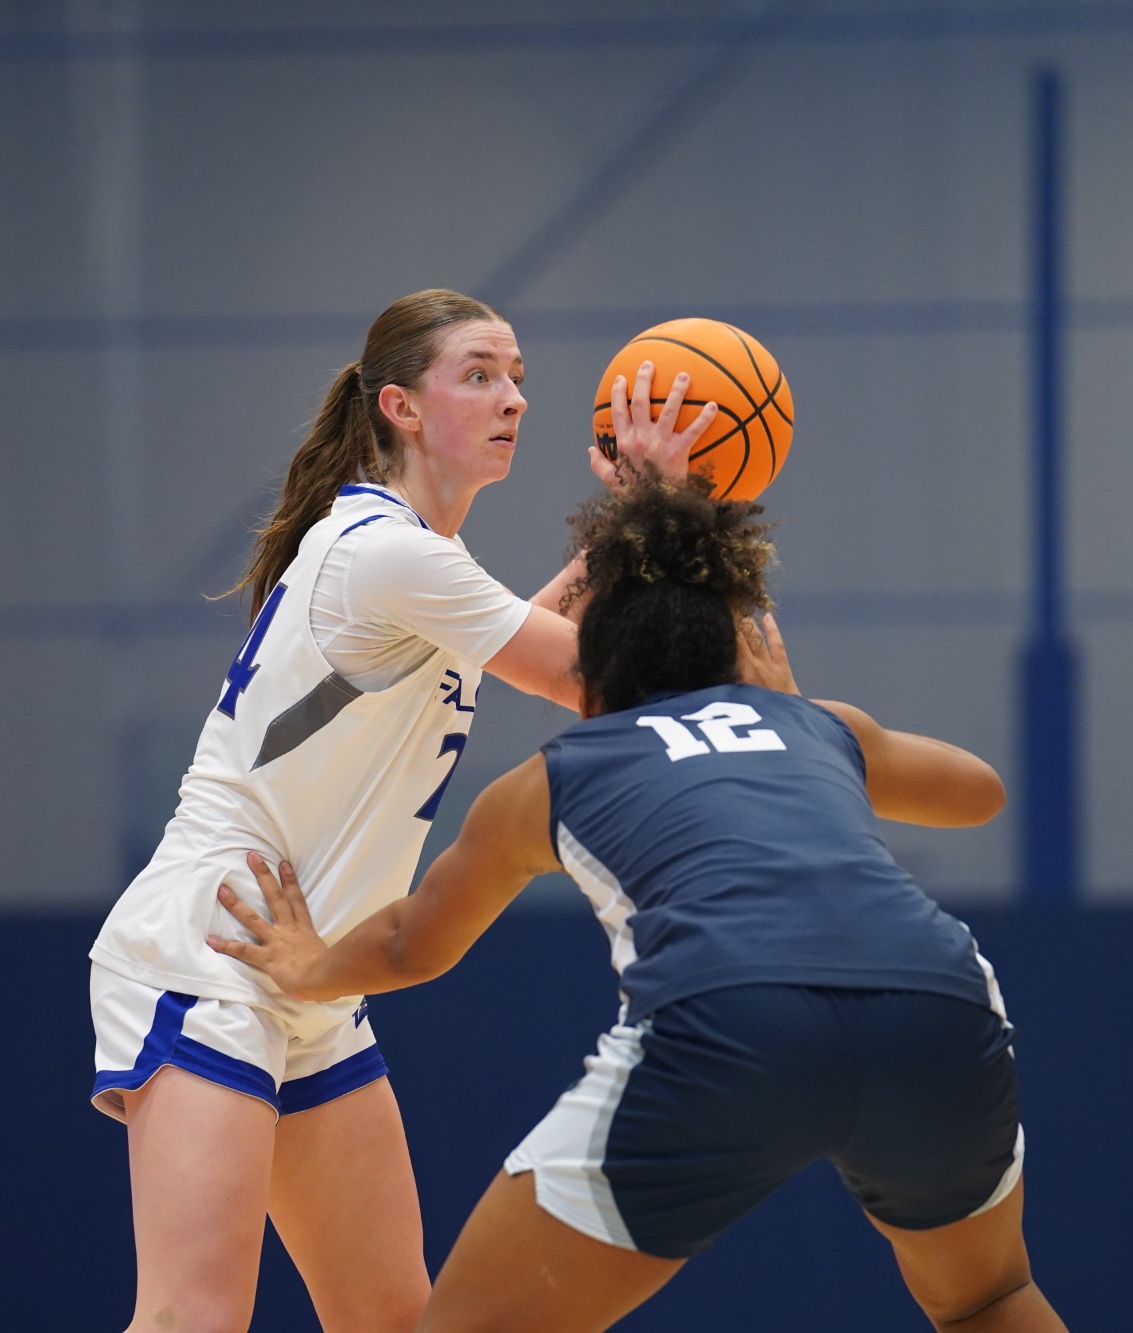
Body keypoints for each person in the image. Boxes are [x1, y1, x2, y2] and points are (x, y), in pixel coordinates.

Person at [210, 469, 1070, 1333]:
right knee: (987, 1298)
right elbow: (981, 792)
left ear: (587, 670)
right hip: (936, 1000)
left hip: (734, 1013)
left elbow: (410, 944)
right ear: (732, 645)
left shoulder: (558, 775)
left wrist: (310, 965)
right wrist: (796, 711)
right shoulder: (818, 726)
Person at [88, 288, 714, 1332]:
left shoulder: (420, 562)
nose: (511, 396)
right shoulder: (385, 553)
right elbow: (583, 675)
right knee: (194, 1315)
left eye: (516, 374)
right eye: (478, 373)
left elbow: (532, 628)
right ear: (401, 407)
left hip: (308, 970)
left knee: (390, 1317)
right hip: (213, 942)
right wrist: (661, 515)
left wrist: (631, 520)